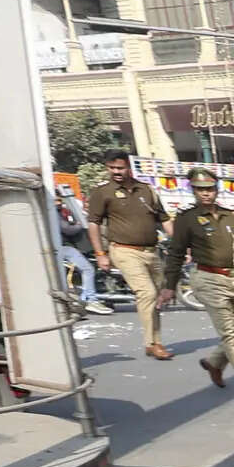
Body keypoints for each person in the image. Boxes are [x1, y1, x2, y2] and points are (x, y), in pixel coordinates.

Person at [159, 168, 234, 388]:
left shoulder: (232, 216)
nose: (206, 194)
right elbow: (176, 253)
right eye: (200, 190)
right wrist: (169, 285)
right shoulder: (187, 219)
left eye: (209, 189)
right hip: (209, 278)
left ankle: (214, 362)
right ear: (193, 191)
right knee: (230, 333)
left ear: (216, 190)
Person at [84, 151, 171, 360]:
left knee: (158, 296)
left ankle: (153, 341)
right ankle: (153, 343)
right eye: (112, 168)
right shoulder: (102, 192)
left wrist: (181, 245)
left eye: (120, 168)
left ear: (128, 168)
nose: (116, 172)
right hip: (124, 250)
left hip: (152, 251)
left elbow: (164, 219)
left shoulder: (146, 190)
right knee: (147, 293)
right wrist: (100, 253)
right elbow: (93, 224)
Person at [53, 186, 110, 315]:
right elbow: (67, 229)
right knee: (88, 269)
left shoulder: (58, 211)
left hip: (62, 246)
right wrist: (79, 225)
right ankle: (90, 299)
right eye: (57, 200)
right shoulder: (54, 213)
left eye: (60, 200)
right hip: (63, 247)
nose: (59, 202)